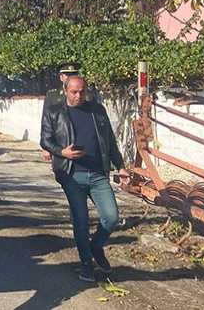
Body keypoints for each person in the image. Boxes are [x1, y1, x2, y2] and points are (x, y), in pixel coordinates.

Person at [41, 76, 129, 282]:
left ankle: (96, 247)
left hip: (98, 174)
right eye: (74, 92)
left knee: (111, 217)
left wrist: (121, 166)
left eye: (82, 91)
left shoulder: (97, 110)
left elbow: (110, 142)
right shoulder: (54, 112)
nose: (78, 95)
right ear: (65, 90)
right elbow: (45, 140)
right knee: (81, 221)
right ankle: (86, 264)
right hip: (72, 174)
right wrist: (62, 152)